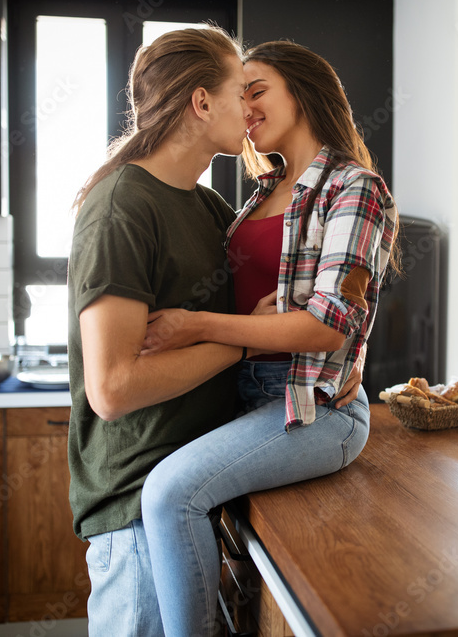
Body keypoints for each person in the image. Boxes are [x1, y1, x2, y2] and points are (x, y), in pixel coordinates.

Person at [139, 40, 399, 636]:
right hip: (243, 392)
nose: (245, 106)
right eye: (239, 94)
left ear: (303, 90)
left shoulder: (353, 188)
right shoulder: (261, 192)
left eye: (257, 90)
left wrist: (198, 325)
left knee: (169, 495)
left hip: (312, 407)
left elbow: (328, 323)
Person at [66, 27, 253, 637]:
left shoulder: (209, 209)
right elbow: (114, 388)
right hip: (137, 510)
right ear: (201, 103)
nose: (251, 110)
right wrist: (242, 341)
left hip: (192, 494)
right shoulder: (121, 207)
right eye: (240, 93)